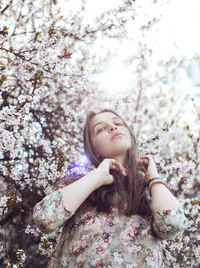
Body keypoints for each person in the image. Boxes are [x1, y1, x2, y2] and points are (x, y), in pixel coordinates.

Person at [33, 109, 188, 268]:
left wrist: (153, 178)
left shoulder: (150, 192)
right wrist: (97, 176)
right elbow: (45, 218)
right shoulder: (80, 183)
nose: (113, 128)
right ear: (93, 149)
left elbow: (172, 224)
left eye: (118, 123)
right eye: (100, 129)